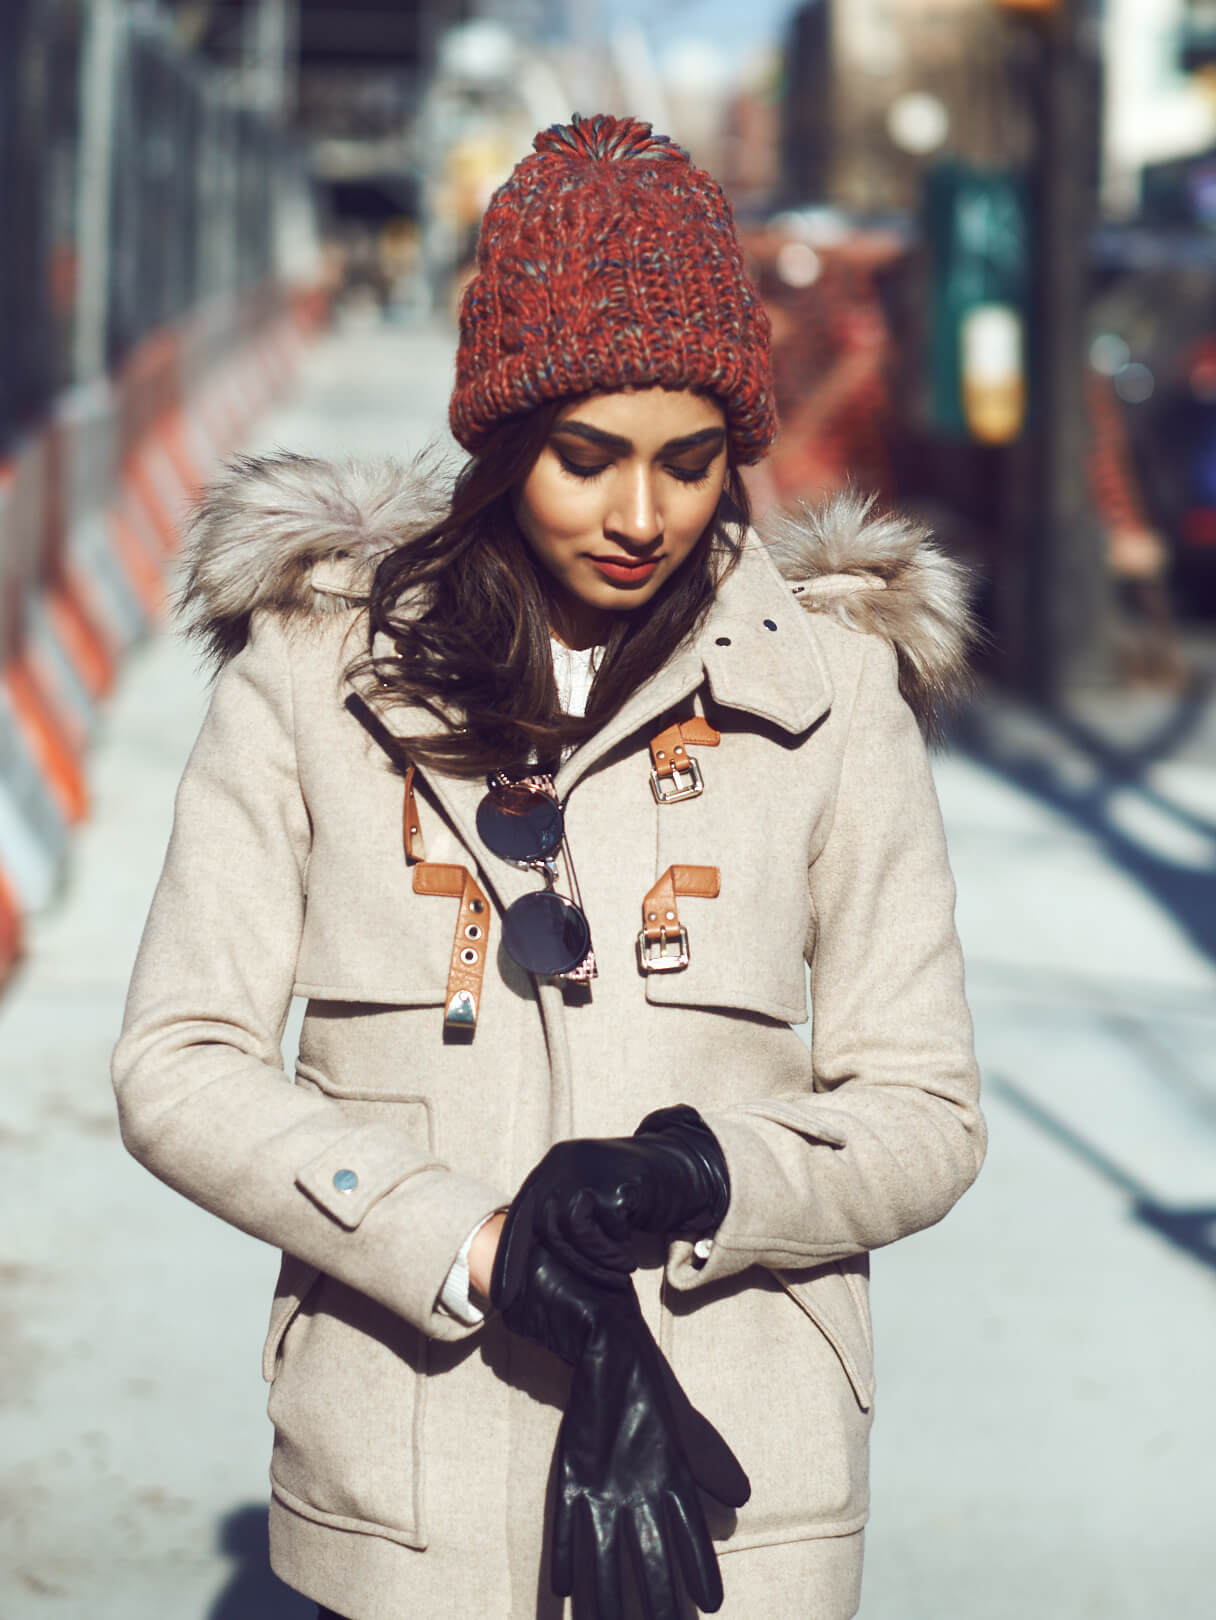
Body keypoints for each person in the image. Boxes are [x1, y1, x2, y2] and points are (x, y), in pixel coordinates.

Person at [112, 113, 985, 1620]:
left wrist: (711, 1175)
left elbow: (928, 1112)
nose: (642, 516)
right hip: (406, 1485)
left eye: (693, 464)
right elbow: (179, 1063)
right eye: (588, 460)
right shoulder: (317, 677)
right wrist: (463, 1235)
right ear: (506, 436)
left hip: (735, 1493)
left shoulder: (836, 700)